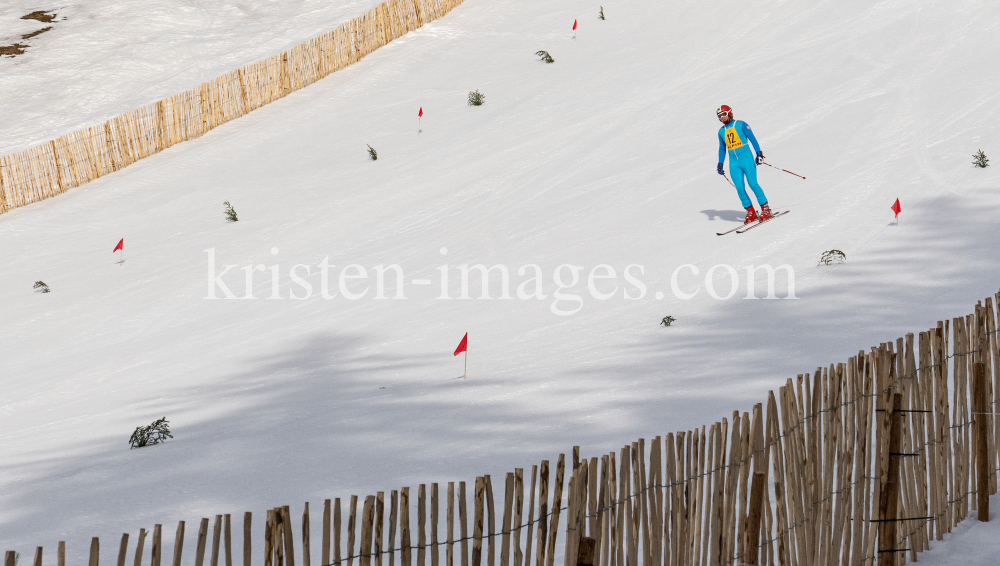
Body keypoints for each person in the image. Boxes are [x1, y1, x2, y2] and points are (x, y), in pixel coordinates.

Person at [716, 105, 771, 223]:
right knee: (739, 188)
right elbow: (722, 149)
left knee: (753, 183)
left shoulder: (740, 125)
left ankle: (766, 209)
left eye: (724, 115)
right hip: (734, 163)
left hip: (746, 159)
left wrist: (759, 153)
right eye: (720, 117)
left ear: (730, 113)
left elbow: (752, 138)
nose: (722, 118)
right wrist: (720, 163)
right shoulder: (721, 131)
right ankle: (751, 212)